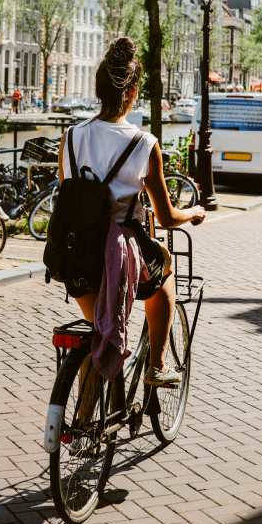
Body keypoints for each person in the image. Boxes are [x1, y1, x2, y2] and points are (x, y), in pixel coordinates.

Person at [58, 37, 206, 388]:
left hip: (74, 253)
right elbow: (166, 217)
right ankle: (156, 365)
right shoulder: (144, 144)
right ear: (133, 92)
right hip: (119, 254)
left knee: (98, 332)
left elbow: (68, 190)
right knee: (165, 271)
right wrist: (193, 212)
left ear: (98, 89)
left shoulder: (71, 136)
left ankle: (81, 423)